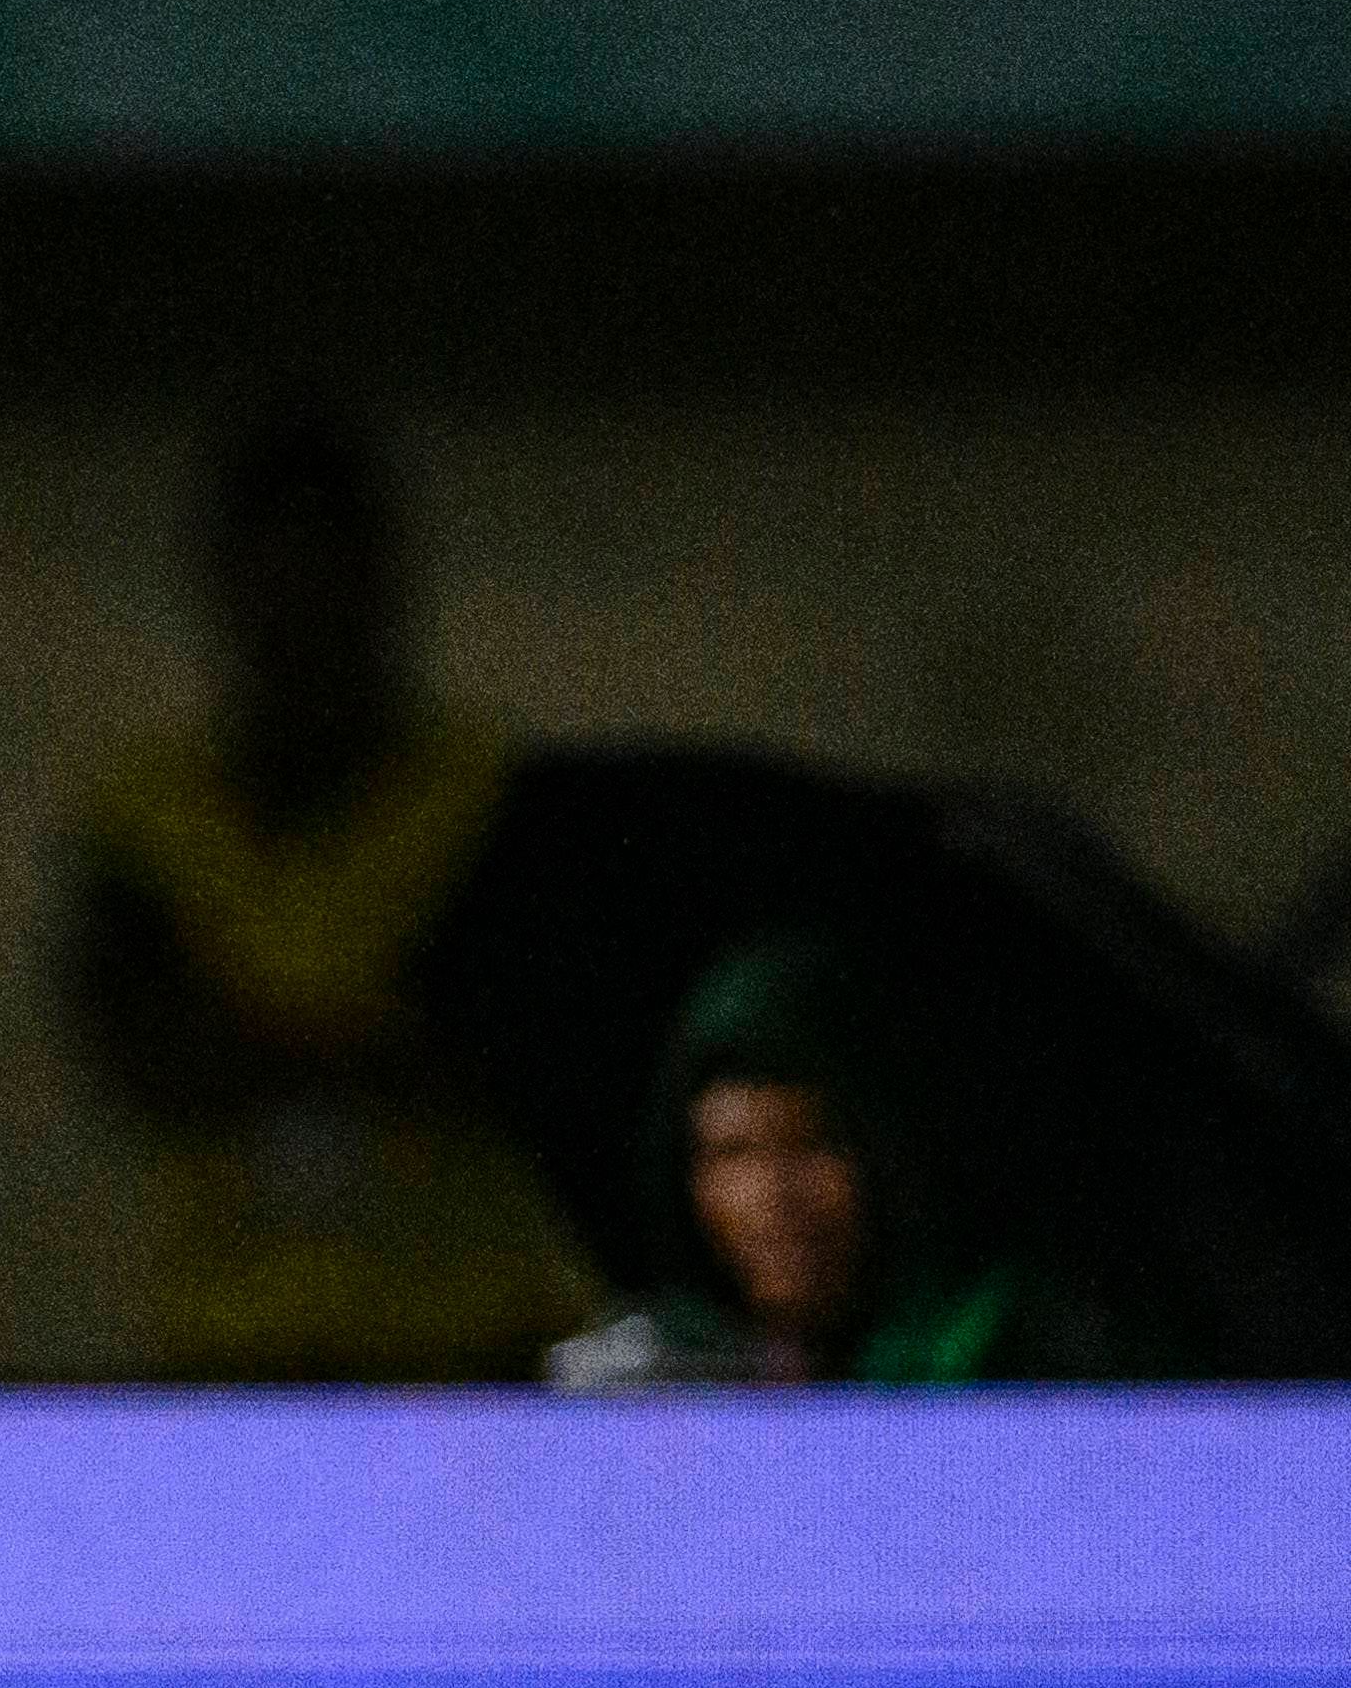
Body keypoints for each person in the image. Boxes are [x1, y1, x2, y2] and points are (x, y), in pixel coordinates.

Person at [60, 406, 583, 1378]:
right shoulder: (147, 817)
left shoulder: (487, 799)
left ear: (382, 589)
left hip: (462, 1347)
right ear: (219, 592)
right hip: (233, 1348)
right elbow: (141, 1059)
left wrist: (264, 1041)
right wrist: (374, 1042)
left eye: (324, 584)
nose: (299, 622)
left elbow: (519, 1049)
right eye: (272, 585)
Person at [548, 936, 1110, 1386]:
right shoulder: (661, 1378)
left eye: (814, 1143)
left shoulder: (1024, 1355)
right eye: (733, 1153)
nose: (773, 1195)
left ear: (889, 1154)